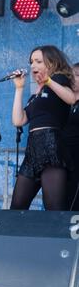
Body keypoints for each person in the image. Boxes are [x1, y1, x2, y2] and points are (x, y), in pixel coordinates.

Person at [10, 45, 75, 211]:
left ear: (51, 64)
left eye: (38, 61)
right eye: (31, 62)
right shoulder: (35, 97)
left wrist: (48, 81)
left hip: (51, 145)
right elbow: (19, 120)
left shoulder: (59, 80)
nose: (33, 65)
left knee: (54, 209)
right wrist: (19, 88)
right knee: (17, 207)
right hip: (33, 151)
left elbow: (70, 98)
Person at [63, 63, 79, 210]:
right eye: (71, 75)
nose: (73, 79)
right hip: (61, 158)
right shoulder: (63, 101)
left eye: (78, 75)